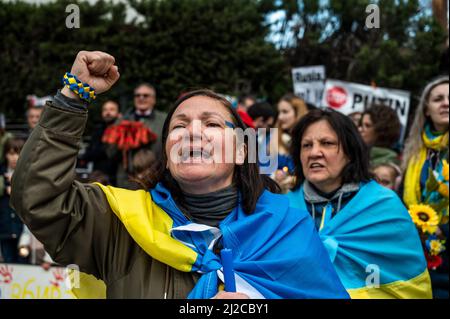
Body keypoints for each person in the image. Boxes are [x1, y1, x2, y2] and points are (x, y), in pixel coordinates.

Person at [10, 51, 348, 299]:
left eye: (212, 124)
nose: (192, 133)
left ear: (242, 150)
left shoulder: (287, 225)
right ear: (167, 152)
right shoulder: (119, 221)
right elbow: (38, 198)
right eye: (179, 126)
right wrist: (73, 97)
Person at [286, 108, 432, 298]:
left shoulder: (384, 207)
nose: (314, 153)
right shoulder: (284, 210)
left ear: (350, 151)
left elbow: (409, 287)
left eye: (327, 143)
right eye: (306, 145)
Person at [401, 76, 449, 299]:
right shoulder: (414, 152)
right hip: (418, 252)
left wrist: (443, 230)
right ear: (427, 110)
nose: (446, 103)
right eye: (438, 99)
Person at [80, 100, 122, 185]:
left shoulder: (122, 130)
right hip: (98, 176)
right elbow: (90, 151)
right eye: (105, 110)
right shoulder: (98, 130)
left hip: (117, 177)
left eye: (112, 109)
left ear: (118, 113)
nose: (108, 112)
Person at [0, 138, 26, 264]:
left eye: (18, 153)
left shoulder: (28, 174)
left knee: (24, 267)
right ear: (5, 154)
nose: (15, 157)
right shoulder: (1, 174)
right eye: (11, 153)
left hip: (24, 231)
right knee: (8, 265)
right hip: (4, 230)